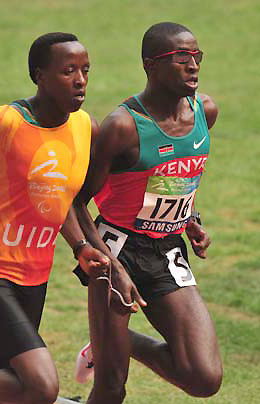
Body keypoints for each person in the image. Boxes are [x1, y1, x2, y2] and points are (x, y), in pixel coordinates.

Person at [71, 22, 223, 404]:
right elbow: (76, 201)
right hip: (116, 250)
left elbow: (174, 177)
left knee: (204, 378)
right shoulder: (122, 127)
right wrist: (112, 267)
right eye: (181, 57)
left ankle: (109, 344)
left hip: (167, 250)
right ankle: (110, 348)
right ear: (150, 65)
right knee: (110, 388)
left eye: (196, 56)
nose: (193, 65)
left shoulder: (205, 110)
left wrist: (190, 219)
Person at [0, 32, 109, 404]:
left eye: (85, 70)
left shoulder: (83, 128)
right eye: (68, 71)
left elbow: (61, 198)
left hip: (34, 273)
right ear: (39, 75)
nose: (80, 80)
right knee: (41, 385)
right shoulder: (1, 123)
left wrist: (80, 246)